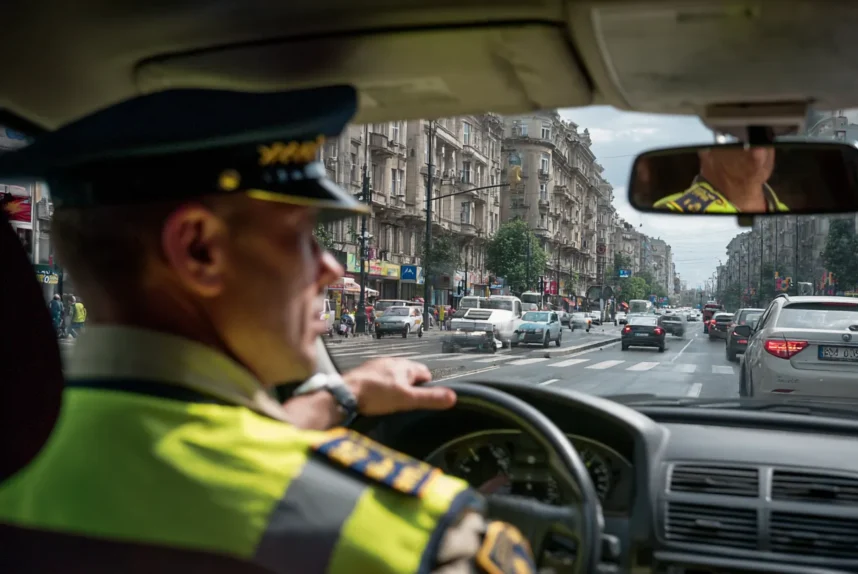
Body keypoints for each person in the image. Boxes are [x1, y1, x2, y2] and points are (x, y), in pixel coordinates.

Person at [0, 86, 535, 573]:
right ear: (199, 250)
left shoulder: (22, 452)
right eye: (302, 236)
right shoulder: (402, 535)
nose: (331, 269)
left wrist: (337, 395)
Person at [651, 146, 788, 214]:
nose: (758, 153)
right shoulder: (671, 211)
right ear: (705, 148)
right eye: (737, 133)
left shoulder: (785, 212)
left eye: (768, 132)